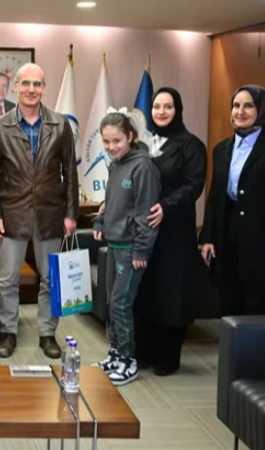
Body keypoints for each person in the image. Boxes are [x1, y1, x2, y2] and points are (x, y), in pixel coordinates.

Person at [0, 63, 78, 359]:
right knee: (8, 279)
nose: (31, 89)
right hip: (12, 213)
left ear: (44, 88)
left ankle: (47, 334)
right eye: (25, 83)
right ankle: (8, 332)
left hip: (50, 213)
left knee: (50, 279)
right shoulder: (0, 126)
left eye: (37, 84)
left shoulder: (60, 124)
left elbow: (70, 173)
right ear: (16, 87)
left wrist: (71, 213)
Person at [200, 85, 265, 317]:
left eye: (248, 106)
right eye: (236, 105)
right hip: (228, 239)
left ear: (262, 109)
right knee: (229, 309)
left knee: (260, 312)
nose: (240, 111)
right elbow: (215, 197)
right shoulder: (221, 149)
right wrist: (207, 237)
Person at [132, 88, 207, 377]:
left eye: (168, 106)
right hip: (145, 232)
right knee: (145, 291)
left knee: (170, 293)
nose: (161, 112)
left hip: (174, 232)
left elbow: (194, 186)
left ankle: (167, 357)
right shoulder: (144, 143)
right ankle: (143, 352)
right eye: (157, 107)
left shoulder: (191, 145)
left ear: (178, 110)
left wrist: (166, 206)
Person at [92, 111, 161, 386]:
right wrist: (100, 221)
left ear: (130, 137)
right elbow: (109, 201)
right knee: (112, 301)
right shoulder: (115, 165)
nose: (111, 147)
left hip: (132, 248)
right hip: (114, 244)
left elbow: (146, 213)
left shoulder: (143, 167)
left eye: (117, 141)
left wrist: (142, 250)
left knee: (121, 303)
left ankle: (128, 360)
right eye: (106, 142)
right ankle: (115, 353)